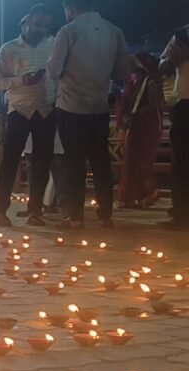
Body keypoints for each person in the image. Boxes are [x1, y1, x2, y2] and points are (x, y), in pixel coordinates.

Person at [47, 0, 130, 229]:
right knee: (100, 160)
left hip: (71, 106)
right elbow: (123, 69)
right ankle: (105, 213)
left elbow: (54, 71)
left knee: (74, 162)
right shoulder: (114, 31)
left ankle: (76, 216)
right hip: (99, 105)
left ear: (70, 8)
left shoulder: (68, 31)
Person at [0, 4, 56, 227]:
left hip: (46, 109)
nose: (41, 30)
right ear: (27, 22)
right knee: (10, 161)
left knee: (42, 162)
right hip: (19, 110)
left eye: (46, 26)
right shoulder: (9, 49)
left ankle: (35, 211)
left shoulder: (55, 45)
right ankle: (0, 211)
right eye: (37, 24)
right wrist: (21, 81)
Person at [117, 53, 165, 209]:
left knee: (141, 161)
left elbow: (154, 103)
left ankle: (144, 194)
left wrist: (134, 115)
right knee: (131, 161)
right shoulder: (135, 81)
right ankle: (130, 197)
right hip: (136, 125)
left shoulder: (149, 82)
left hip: (145, 126)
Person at [160, 25, 189, 229]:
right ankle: (182, 214)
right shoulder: (182, 34)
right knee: (181, 163)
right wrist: (173, 59)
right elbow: (162, 68)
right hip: (185, 104)